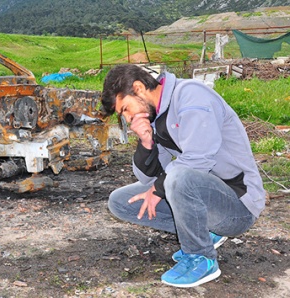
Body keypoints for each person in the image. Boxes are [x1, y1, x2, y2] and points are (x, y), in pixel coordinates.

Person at [101, 64, 265, 288]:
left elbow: (199, 159)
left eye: (126, 109)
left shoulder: (191, 95)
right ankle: (205, 233)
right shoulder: (158, 118)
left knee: (179, 176)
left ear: (138, 88)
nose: (129, 119)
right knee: (121, 202)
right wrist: (146, 143)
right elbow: (149, 180)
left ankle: (201, 258)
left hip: (238, 205)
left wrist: (159, 188)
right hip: (204, 199)